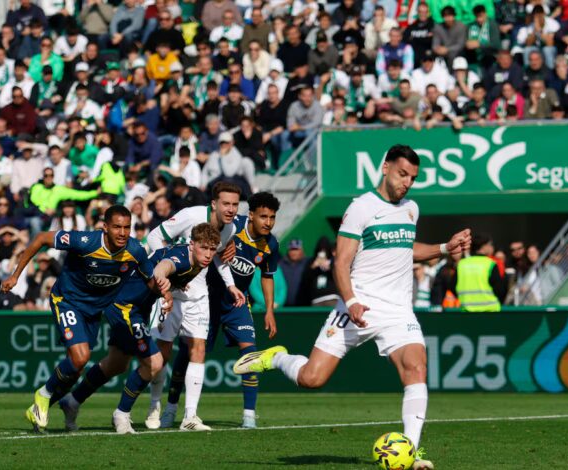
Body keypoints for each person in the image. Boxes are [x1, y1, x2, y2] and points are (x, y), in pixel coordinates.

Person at [234, 144, 471, 470]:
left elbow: (406, 247)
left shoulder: (411, 209)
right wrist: (352, 301)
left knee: (416, 367)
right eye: (402, 174)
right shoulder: (361, 207)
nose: (407, 183)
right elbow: (341, 262)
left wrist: (444, 247)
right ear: (385, 168)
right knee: (312, 378)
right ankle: (276, 357)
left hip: (398, 311)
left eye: (413, 178)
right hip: (356, 306)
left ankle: (411, 451)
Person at [1, 205, 159, 432]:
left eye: (127, 227)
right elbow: (41, 238)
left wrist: (165, 293)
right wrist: (15, 276)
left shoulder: (135, 251)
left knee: (75, 370)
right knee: (80, 357)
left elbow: (150, 280)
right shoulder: (85, 241)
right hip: (67, 300)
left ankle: (40, 409)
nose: (123, 233)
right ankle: (43, 394)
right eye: (117, 227)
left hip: (94, 311)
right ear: (105, 227)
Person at [57, 224, 220, 434]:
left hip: (138, 307)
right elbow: (163, 267)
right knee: (154, 362)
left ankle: (72, 401)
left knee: (116, 363)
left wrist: (174, 285)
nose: (208, 254)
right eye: (203, 247)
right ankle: (121, 414)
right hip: (125, 306)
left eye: (212, 249)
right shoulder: (181, 259)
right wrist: (163, 283)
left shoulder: (198, 262)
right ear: (191, 244)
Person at [145, 182, 245, 431]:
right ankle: (154, 406)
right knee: (162, 354)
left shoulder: (230, 228)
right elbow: (154, 236)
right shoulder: (191, 215)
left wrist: (231, 285)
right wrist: (174, 267)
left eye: (235, 204)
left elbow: (218, 256)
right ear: (214, 204)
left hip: (198, 295)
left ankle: (190, 416)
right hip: (170, 291)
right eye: (226, 203)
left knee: (198, 349)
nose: (231, 209)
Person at [198, 192, 281, 429]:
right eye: (263, 216)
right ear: (251, 215)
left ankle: (249, 416)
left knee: (250, 355)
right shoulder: (231, 227)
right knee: (193, 354)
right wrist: (224, 242)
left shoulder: (271, 244)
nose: (268, 222)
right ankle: (172, 408)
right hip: (209, 299)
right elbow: (204, 241)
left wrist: (269, 310)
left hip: (238, 303)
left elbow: (267, 276)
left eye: (272, 217)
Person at [452, 232, 504, 311]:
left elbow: (452, 286)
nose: (492, 247)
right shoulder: (490, 264)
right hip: (490, 311)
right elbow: (500, 290)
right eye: (490, 244)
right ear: (483, 246)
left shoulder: (462, 264)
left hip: (467, 311)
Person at [280, 238, 308, 306]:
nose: (293, 252)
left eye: (296, 249)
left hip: (305, 305)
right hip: (285, 306)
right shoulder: (281, 265)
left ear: (301, 250)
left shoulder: (308, 263)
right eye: (291, 249)